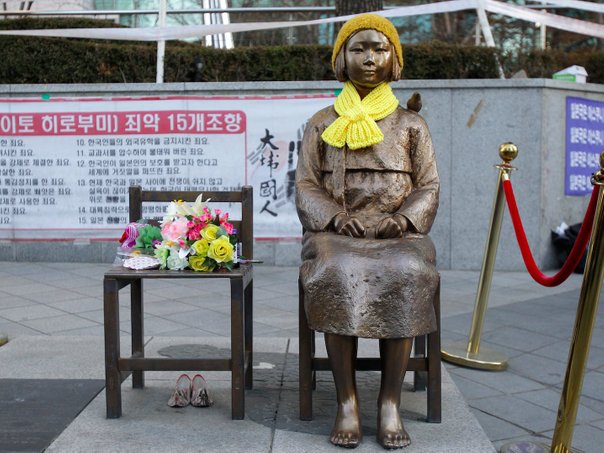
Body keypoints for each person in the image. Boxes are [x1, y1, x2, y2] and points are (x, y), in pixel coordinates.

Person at [295, 14, 440, 450]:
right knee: (336, 270)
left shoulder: (412, 124)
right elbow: (305, 184)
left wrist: (404, 219)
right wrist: (336, 219)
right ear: (341, 58)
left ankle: (390, 401)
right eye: (359, 49)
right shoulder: (322, 122)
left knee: (407, 271)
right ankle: (347, 401)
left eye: (379, 49)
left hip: (400, 235)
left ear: (394, 59)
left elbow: (429, 185)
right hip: (336, 234)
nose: (370, 58)